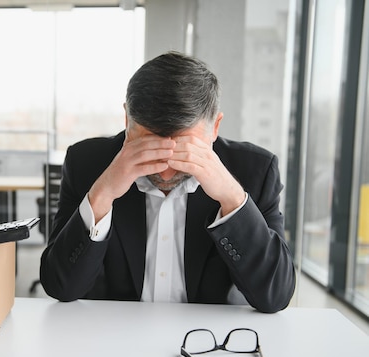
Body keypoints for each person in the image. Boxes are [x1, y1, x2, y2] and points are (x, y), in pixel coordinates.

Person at [39, 51, 296, 313]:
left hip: (207, 341)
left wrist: (232, 199)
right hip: (113, 339)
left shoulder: (255, 171)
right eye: (148, 148)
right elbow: (60, 286)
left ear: (215, 127)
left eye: (184, 152)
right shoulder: (86, 164)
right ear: (128, 120)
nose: (164, 172)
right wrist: (102, 195)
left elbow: (275, 295)